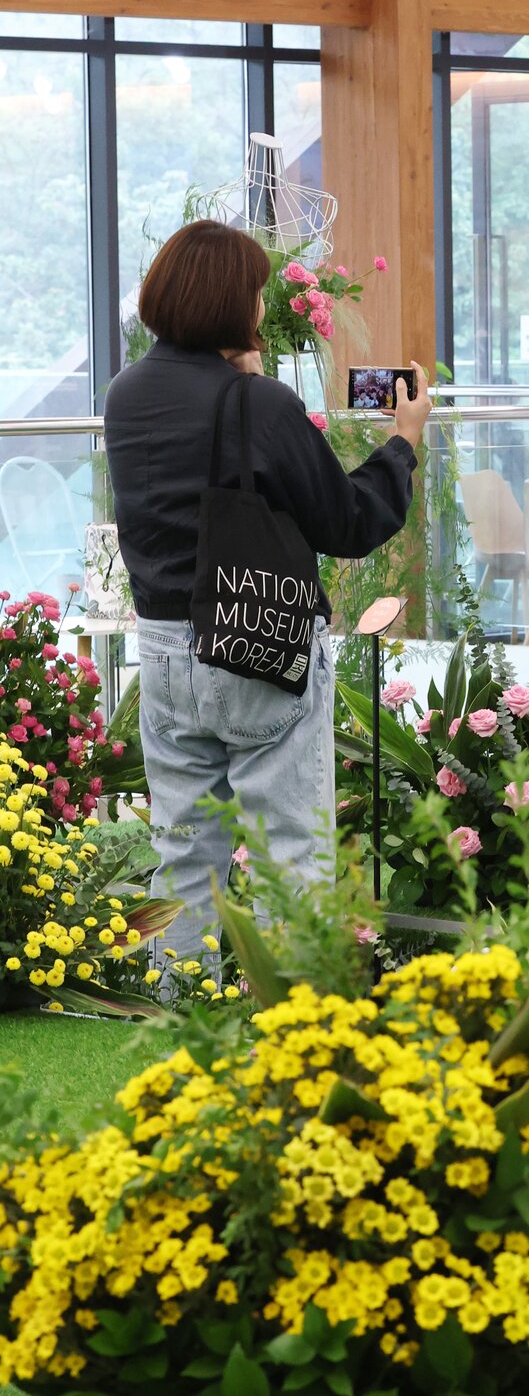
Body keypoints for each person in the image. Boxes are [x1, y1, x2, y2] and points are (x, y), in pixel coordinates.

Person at [103, 219, 431, 974]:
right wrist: (403, 442)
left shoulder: (126, 394)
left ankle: (180, 1003)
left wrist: (243, 379)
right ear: (232, 303)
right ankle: (295, 1016)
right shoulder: (261, 402)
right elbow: (347, 523)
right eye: (254, 290)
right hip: (258, 640)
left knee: (184, 849)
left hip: (163, 648)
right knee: (292, 853)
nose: (260, 303)